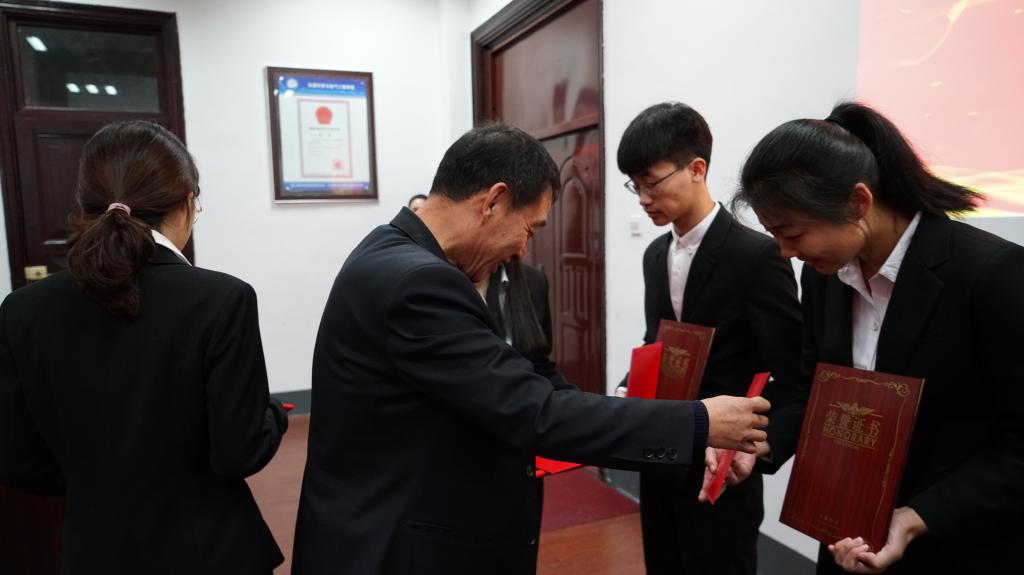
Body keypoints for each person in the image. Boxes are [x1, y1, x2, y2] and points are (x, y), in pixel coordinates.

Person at [291, 123, 771, 575]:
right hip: (393, 545)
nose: (522, 249)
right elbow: (534, 411)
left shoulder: (389, 250)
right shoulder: (420, 283)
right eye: (530, 228)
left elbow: (521, 381)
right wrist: (700, 422)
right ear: (495, 202)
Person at [732, 102, 1024, 574]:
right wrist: (760, 443)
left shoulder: (989, 275)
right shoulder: (825, 277)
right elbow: (813, 389)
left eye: (793, 233)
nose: (785, 253)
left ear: (858, 201)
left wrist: (916, 518)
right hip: (846, 534)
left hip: (954, 544)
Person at [0, 121, 289, 574]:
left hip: (95, 553)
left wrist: (99, 482)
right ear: (187, 203)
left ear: (86, 205)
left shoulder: (22, 310)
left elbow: (19, 460)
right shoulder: (221, 299)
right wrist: (273, 415)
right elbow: (240, 452)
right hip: (208, 552)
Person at [612, 102, 803, 575]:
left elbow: (795, 372)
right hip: (660, 453)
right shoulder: (655, 255)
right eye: (634, 185)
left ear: (697, 169)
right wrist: (627, 387)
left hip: (721, 467)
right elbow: (658, 342)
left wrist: (752, 445)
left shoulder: (756, 256)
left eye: (651, 182)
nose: (643, 198)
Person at [480, 259, 578, 573]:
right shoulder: (447, 279)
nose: (525, 243)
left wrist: (582, 407)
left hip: (521, 448)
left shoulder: (533, 281)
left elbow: (539, 363)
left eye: (532, 234)